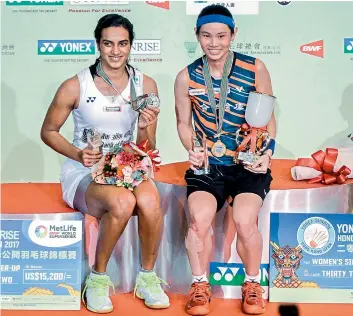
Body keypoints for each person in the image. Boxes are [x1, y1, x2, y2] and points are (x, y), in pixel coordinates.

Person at [41, 14, 170, 313]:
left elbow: (147, 145)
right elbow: (47, 131)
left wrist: (144, 126)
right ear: (98, 45)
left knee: (151, 200)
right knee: (123, 203)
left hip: (127, 167)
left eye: (122, 44)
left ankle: (147, 278)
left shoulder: (144, 83)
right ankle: (97, 280)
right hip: (84, 172)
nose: (115, 51)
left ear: (130, 46)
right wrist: (78, 154)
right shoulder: (76, 85)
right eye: (108, 44)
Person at [174, 4, 276, 315]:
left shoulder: (254, 68)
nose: (214, 43)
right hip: (208, 167)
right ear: (197, 36)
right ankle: (200, 285)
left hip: (247, 163)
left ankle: (253, 283)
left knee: (245, 221)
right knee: (199, 220)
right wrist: (191, 147)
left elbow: (268, 119)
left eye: (221, 35)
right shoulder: (186, 76)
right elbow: (182, 122)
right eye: (206, 36)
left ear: (233, 34)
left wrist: (267, 152)